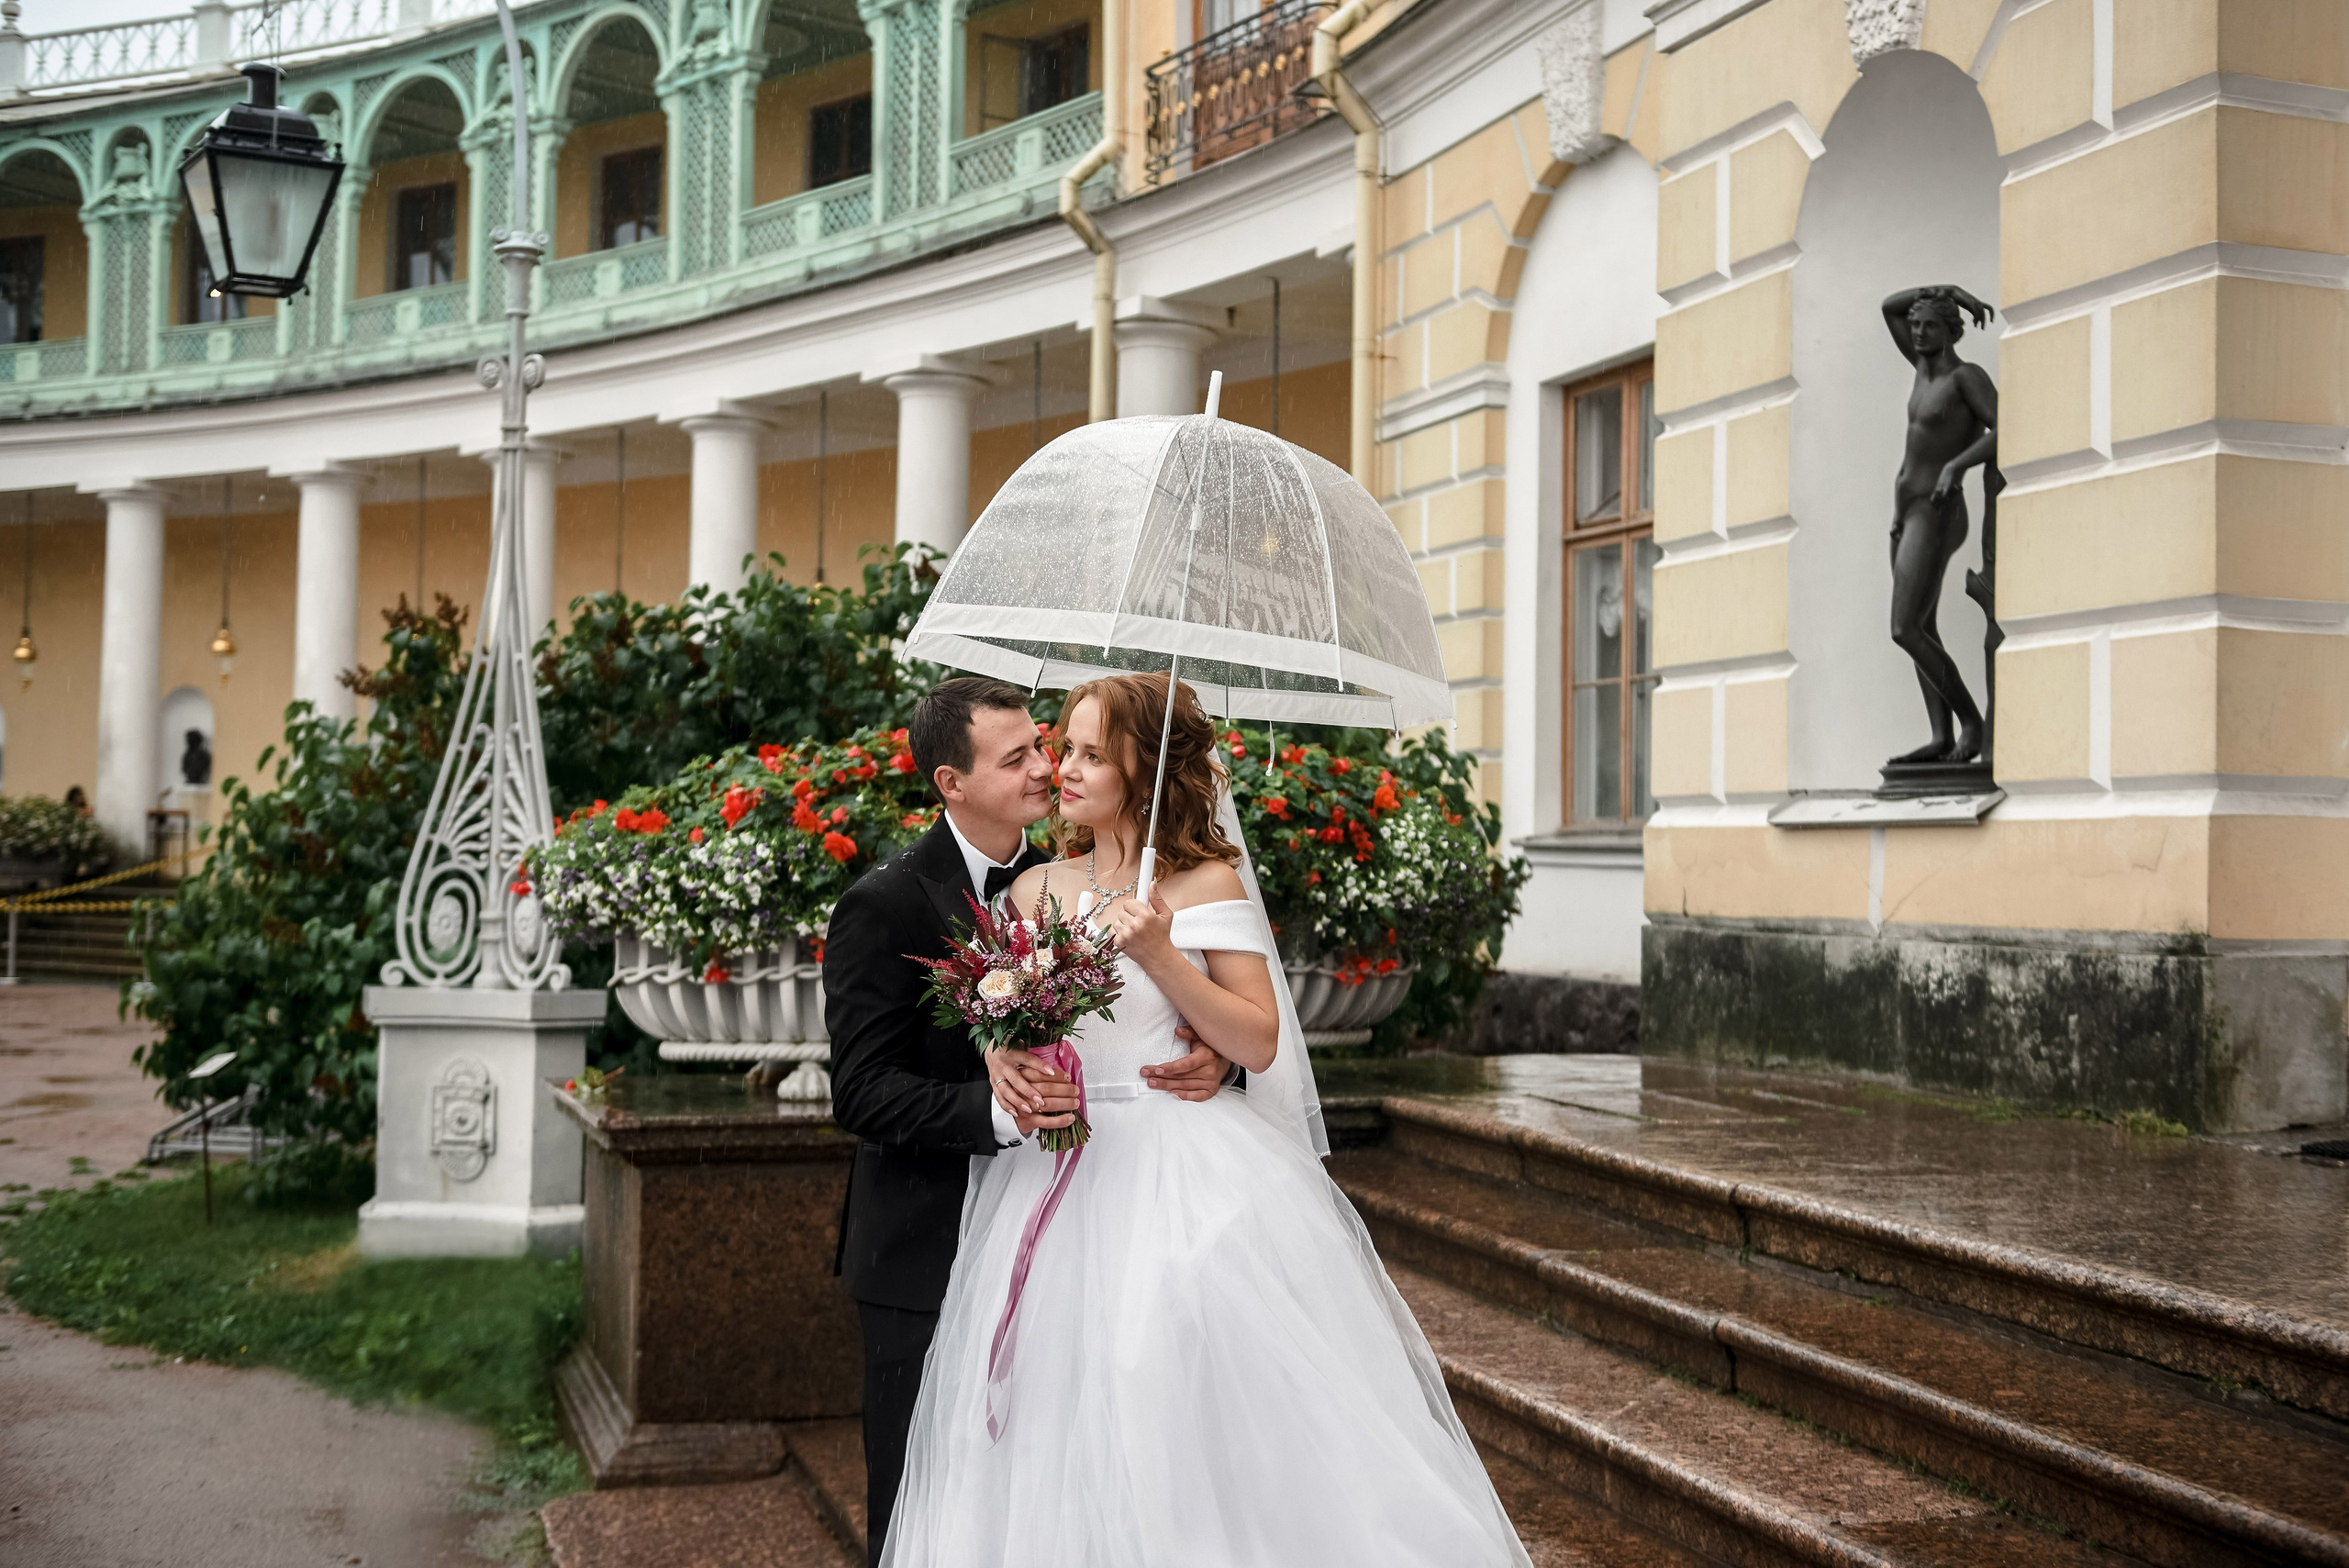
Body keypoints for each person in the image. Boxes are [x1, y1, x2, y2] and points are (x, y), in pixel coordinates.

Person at [880, 672, 1531, 1568]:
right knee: (1051, 1407)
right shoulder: (1035, 889)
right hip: (1055, 1177)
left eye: (1087, 752)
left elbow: (1257, 1039)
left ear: (1141, 768)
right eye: (1060, 746)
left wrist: (1160, 955)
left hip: (1176, 1166)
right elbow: (1005, 1019)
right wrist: (1001, 1053)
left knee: (1155, 1380)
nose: (1059, 768)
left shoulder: (1202, 883)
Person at [823, 675, 1234, 1563]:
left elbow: (1147, 1011)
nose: (1047, 768)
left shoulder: (1065, 881)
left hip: (1073, 1230)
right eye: (1018, 758)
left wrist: (1220, 1055)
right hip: (925, 1246)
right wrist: (1001, 1110)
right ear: (950, 783)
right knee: (920, 1500)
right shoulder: (884, 903)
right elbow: (859, 1090)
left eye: (1045, 747)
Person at [1880, 284, 1998, 766]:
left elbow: (2007, 427)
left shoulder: (1964, 377)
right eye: (1916, 326)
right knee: (1922, 627)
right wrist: (1948, 289)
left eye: (1930, 325)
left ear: (1950, 331)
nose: (1919, 332)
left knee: (1903, 628)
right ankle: (1941, 735)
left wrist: (1958, 466)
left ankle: (1972, 723)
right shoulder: (1921, 369)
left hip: (1937, 510)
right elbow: (1889, 307)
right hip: (1905, 512)